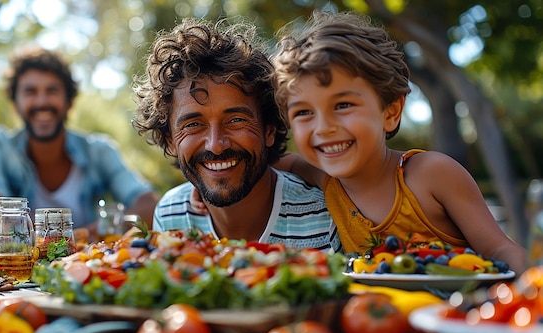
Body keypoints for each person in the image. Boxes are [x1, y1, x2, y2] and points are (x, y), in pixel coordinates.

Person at [270, 10, 526, 274]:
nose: (323, 128)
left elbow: (499, 250)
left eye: (343, 105)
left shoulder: (431, 174)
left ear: (390, 112)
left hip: (458, 311)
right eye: (303, 112)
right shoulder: (320, 177)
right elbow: (263, 163)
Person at [131, 18, 341, 252]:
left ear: (269, 130)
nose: (216, 145)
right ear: (171, 140)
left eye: (236, 120)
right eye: (193, 125)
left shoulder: (326, 215)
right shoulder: (172, 215)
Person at [0, 46, 159, 237]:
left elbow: (150, 204)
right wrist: (63, 241)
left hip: (90, 264)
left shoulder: (98, 151)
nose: (41, 101)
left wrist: (98, 231)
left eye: (52, 91)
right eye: (30, 92)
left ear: (69, 101)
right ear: (15, 103)